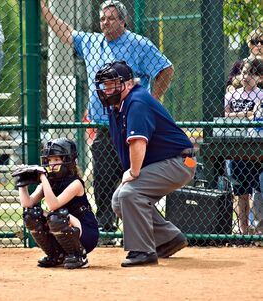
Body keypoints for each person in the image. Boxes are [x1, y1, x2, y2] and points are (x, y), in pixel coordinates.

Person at [40, 0, 174, 233]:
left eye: (111, 18)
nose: (105, 23)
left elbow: (166, 69)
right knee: (102, 178)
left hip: (130, 123)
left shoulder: (138, 44)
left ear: (123, 21)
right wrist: (46, 11)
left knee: (136, 179)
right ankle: (106, 227)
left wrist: (152, 99)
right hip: (103, 125)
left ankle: (146, 228)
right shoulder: (92, 42)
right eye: (102, 18)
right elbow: (66, 33)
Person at [95, 61, 195, 267]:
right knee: (118, 200)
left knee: (128, 194)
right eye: (105, 85)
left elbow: (138, 142)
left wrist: (133, 172)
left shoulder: (137, 101)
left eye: (113, 84)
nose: (107, 89)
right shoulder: (118, 106)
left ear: (129, 84)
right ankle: (168, 238)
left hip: (181, 161)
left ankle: (142, 251)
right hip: (168, 161)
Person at [15, 138, 99, 269]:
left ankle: (79, 255)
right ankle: (55, 255)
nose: (51, 165)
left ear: (68, 161)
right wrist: (22, 184)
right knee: (30, 214)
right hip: (64, 225)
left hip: (86, 233)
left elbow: (53, 205)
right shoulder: (49, 181)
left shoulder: (75, 183)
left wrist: (42, 178)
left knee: (57, 216)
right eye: (49, 160)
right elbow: (27, 203)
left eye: (56, 160)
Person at [224, 58, 263, 235]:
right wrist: (247, 114)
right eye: (244, 72)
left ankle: (257, 229)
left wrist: (237, 115)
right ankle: (243, 230)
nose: (246, 76)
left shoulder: (261, 95)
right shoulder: (232, 94)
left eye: (252, 74)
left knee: (256, 189)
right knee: (240, 191)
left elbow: (257, 115)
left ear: (260, 78)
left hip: (255, 149)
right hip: (236, 148)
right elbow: (226, 116)